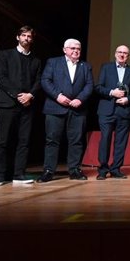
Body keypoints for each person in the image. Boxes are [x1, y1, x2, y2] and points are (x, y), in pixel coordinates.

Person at [37, 39, 93, 183]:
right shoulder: (53, 62)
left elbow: (89, 85)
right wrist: (58, 96)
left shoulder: (85, 66)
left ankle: (74, 169)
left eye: (78, 49)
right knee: (52, 140)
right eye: (72, 48)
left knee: (76, 141)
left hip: (77, 109)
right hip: (55, 107)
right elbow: (45, 81)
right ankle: (49, 171)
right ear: (64, 50)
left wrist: (80, 99)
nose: (76, 51)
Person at [0, 26, 42, 186]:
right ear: (17, 37)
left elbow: (38, 81)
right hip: (8, 103)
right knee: (3, 140)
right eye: (24, 35)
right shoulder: (5, 55)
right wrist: (18, 95)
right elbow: (2, 77)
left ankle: (18, 174)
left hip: (27, 104)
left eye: (29, 36)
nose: (26, 38)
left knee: (24, 141)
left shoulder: (36, 60)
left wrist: (30, 95)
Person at [95, 45, 130, 180]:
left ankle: (116, 169)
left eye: (125, 53)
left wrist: (127, 99)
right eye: (120, 52)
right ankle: (102, 170)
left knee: (121, 141)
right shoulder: (106, 68)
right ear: (115, 54)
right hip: (106, 110)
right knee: (105, 139)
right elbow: (98, 87)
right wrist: (112, 92)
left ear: (128, 56)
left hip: (124, 111)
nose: (122, 55)